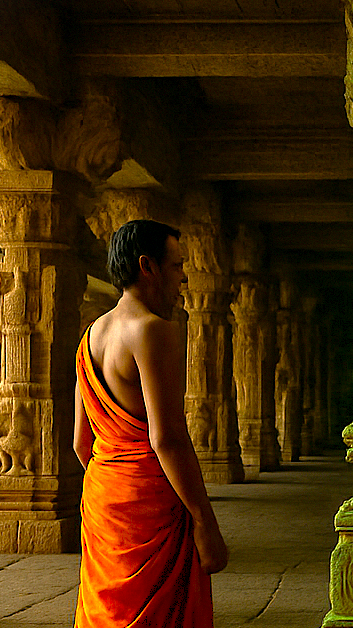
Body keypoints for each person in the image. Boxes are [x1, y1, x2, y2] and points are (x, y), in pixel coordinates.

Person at [74, 220, 227, 628]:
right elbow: (167, 438)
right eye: (176, 266)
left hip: (104, 495)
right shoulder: (153, 331)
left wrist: (114, 480)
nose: (183, 277)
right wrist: (204, 520)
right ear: (148, 266)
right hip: (150, 500)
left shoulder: (90, 336)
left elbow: (79, 443)